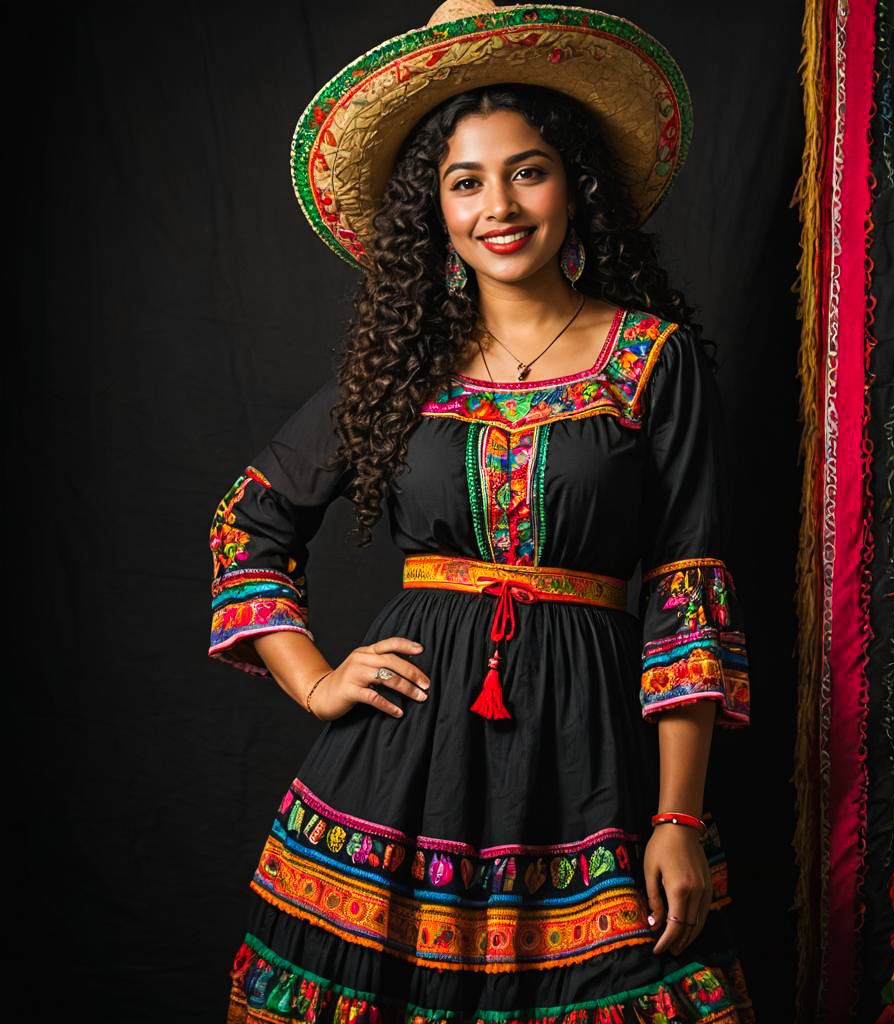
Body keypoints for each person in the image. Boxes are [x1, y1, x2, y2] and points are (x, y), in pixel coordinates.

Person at [208, 2, 754, 1020]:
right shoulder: (402, 369)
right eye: (465, 181)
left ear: (574, 186)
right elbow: (249, 521)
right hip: (403, 762)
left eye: (526, 169)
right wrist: (316, 680)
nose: (497, 203)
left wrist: (675, 815)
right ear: (437, 212)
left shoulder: (650, 360)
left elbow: (688, 587)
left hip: (594, 754)